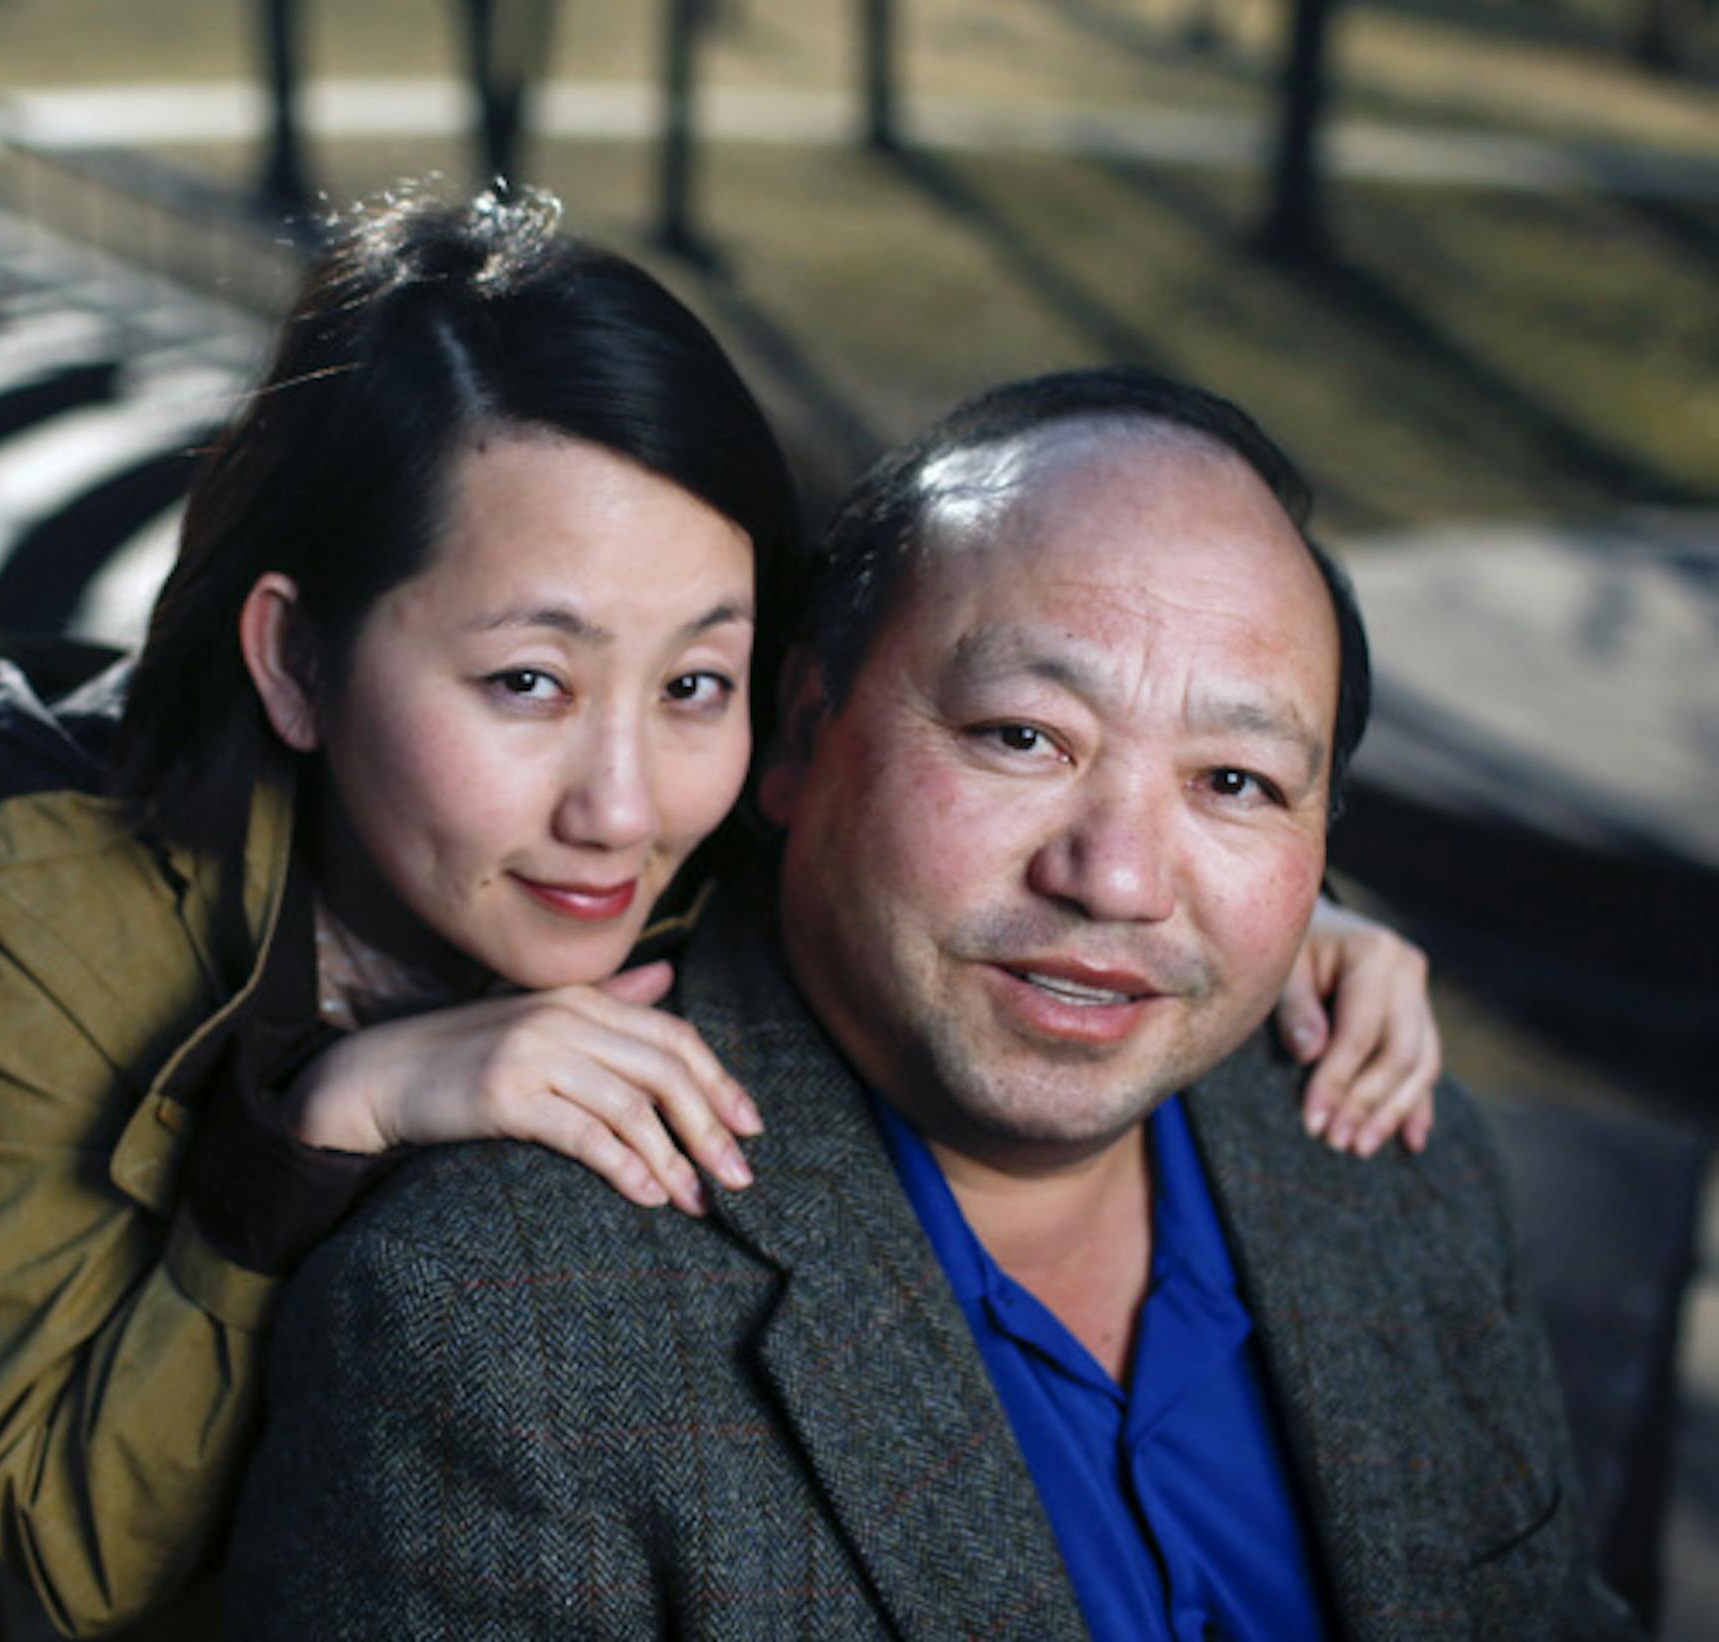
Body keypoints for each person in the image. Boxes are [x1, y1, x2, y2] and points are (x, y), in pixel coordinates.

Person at [0, 192, 1437, 1642]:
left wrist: (1272, 925)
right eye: (528, 680)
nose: (623, 805)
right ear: (297, 659)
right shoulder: (58, 880)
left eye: (695, 679)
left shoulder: (720, 795)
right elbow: (66, 1551)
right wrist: (324, 1124)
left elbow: (960, 768)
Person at [223, 367, 1632, 1637]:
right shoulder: (490, 1332)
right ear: (800, 732)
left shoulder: (1395, 1158)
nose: (1119, 879)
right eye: (1023, 736)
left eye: (1235, 781)